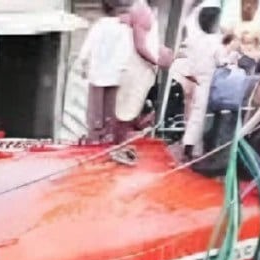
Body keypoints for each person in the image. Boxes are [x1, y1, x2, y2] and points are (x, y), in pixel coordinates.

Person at [113, 0, 174, 162]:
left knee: (130, 110)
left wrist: (160, 52)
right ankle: (118, 148)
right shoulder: (141, 10)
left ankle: (120, 146)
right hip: (136, 70)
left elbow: (147, 42)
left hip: (141, 70)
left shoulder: (144, 10)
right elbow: (140, 46)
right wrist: (158, 61)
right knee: (125, 112)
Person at [77, 0, 133, 144]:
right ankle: (108, 135)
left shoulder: (99, 26)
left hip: (97, 71)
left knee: (95, 108)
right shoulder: (124, 27)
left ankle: (95, 135)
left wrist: (84, 64)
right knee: (110, 107)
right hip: (115, 73)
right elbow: (127, 51)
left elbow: (86, 48)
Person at [178, 1, 224, 159]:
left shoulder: (195, 38)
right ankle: (190, 148)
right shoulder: (215, 42)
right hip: (205, 80)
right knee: (198, 115)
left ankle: (189, 144)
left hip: (192, 77)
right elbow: (222, 61)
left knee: (190, 112)